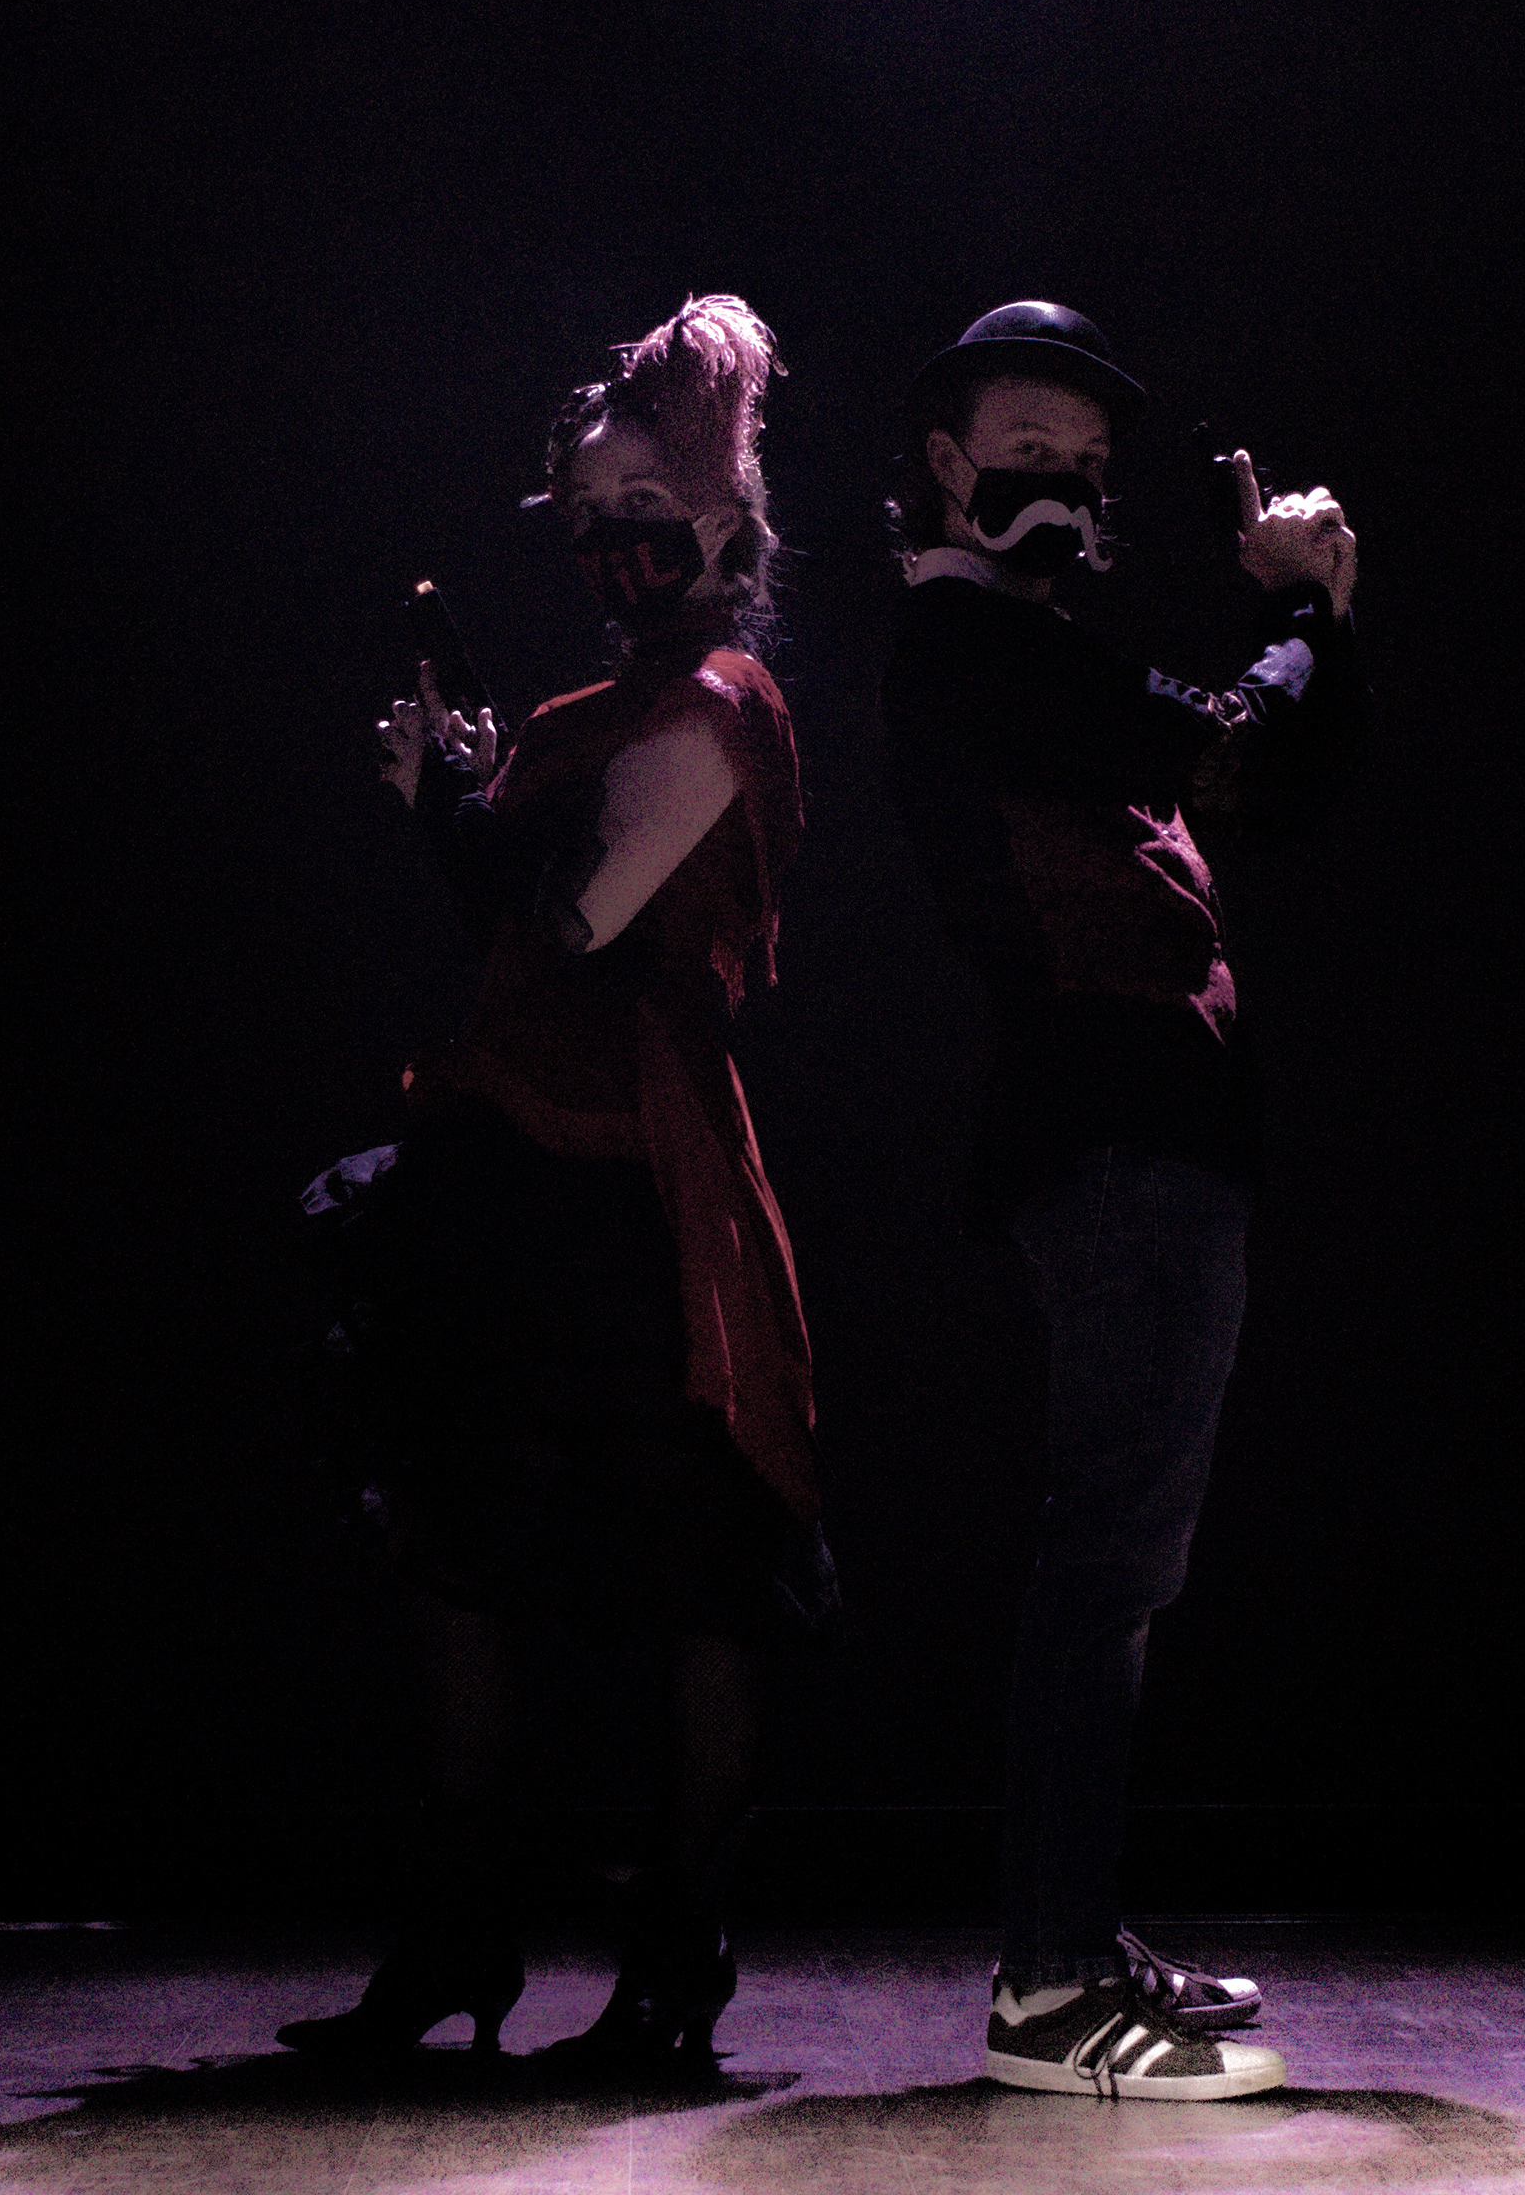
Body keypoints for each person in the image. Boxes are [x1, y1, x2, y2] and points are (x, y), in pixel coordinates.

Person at [280, 295, 834, 2071]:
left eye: (640, 504)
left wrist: (453, 808)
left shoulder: (726, 706)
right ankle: (458, 1938)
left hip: (637, 1182)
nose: (609, 539)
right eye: (586, 510)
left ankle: (675, 1963)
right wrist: (455, 793)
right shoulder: (585, 706)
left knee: (691, 1577)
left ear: (727, 517)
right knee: (457, 1554)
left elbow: (585, 927)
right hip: (509, 1158)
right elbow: (516, 932)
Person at [878, 301, 1366, 2101]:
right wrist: (1298, 615)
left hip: (1155, 1142)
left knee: (1126, 1563)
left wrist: (1319, 621)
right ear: (947, 462)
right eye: (1030, 447)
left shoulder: (1041, 651)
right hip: (1109, 1141)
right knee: (1104, 1561)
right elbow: (1215, 742)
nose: (1066, 484)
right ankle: (1053, 1985)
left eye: (1089, 462)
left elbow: (1282, 784)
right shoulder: (966, 643)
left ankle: (1077, 1929)